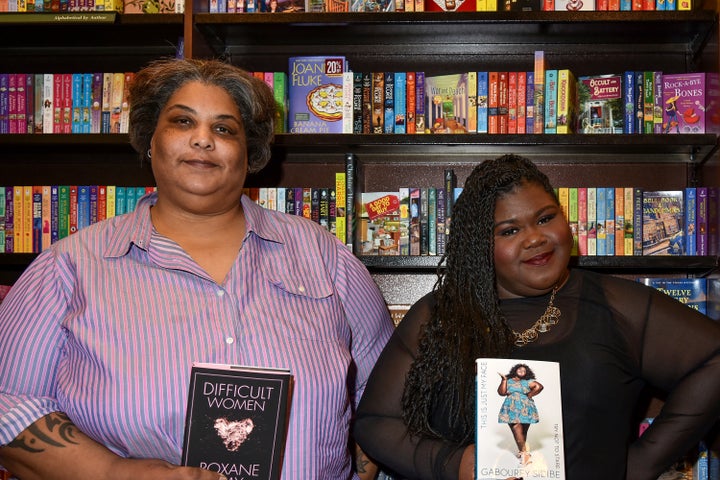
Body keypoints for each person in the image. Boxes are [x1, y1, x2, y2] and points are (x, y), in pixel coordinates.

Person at [0, 57, 394, 480]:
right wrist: (116, 473)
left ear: (251, 153)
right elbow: (8, 404)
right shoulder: (67, 269)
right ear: (150, 140)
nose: (203, 140)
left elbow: (388, 398)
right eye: (182, 122)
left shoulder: (325, 257)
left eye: (224, 129)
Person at [354, 154, 720, 480]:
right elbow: (375, 423)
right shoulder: (437, 315)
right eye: (510, 230)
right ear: (480, 245)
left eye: (545, 218)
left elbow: (713, 359)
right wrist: (452, 463)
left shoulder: (617, 305)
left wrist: (643, 463)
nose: (535, 238)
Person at [497, 363, 542, 466]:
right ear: (515, 370)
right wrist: (503, 380)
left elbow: (539, 386)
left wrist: (530, 395)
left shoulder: (527, 382)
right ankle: (524, 455)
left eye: (524, 370)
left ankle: (522, 452)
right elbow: (502, 393)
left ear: (527, 372)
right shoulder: (508, 381)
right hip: (511, 408)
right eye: (519, 369)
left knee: (523, 431)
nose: (522, 371)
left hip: (526, 407)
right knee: (516, 427)